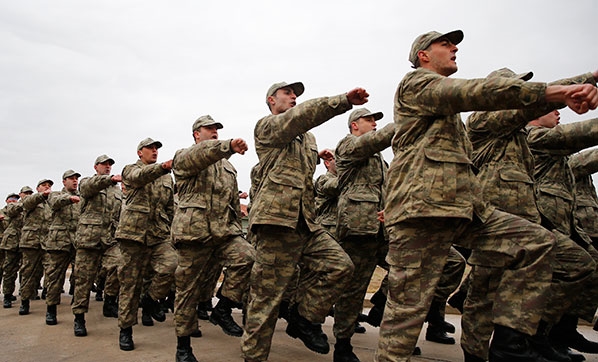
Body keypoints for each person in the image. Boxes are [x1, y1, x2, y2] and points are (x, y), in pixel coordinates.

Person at [377, 29, 598, 362]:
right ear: (423, 55)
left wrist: (586, 80)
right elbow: (478, 92)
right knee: (407, 312)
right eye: (445, 43)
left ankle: (511, 345)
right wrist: (558, 91)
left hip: (466, 209)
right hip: (421, 211)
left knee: (536, 242)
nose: (454, 48)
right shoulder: (416, 85)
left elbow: (507, 101)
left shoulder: (451, 117)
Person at [465, 68, 598, 362]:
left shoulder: (520, 138)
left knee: (578, 264)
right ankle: (477, 355)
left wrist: (591, 78)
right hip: (493, 223)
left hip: (527, 225)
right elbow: (539, 101)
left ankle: (530, 338)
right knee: (483, 297)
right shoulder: (483, 121)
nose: (518, 90)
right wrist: (585, 79)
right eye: (512, 87)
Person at [241, 81, 367, 362]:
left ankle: (303, 317)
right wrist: (343, 100)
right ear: (272, 100)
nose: (294, 96)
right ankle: (253, 356)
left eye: (295, 93)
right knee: (266, 299)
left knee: (340, 266)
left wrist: (317, 155)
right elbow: (302, 117)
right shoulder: (267, 126)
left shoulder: (307, 140)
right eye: (287, 93)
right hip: (276, 222)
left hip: (305, 223)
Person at [171, 115, 255, 362]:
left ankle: (224, 308)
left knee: (248, 258)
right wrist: (227, 146)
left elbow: (230, 202)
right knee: (187, 291)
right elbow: (204, 154)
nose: (215, 132)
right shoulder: (185, 157)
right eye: (209, 129)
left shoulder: (228, 167)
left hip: (223, 234)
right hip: (194, 235)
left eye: (217, 129)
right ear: (197, 134)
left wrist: (237, 223)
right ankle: (183, 347)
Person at [527, 114, 598, 358]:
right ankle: (537, 334)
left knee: (590, 266)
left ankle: (558, 332)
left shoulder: (551, 147)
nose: (558, 113)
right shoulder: (533, 137)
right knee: (573, 269)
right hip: (541, 224)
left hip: (562, 223)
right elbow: (581, 150)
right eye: (552, 108)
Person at [331, 108, 394, 362]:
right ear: (354, 125)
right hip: (358, 229)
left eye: (376, 121)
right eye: (369, 120)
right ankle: (343, 344)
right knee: (354, 289)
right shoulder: (348, 146)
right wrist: (405, 121)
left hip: (380, 230)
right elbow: (370, 144)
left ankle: (381, 299)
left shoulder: (381, 160)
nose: (374, 124)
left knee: (409, 270)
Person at [115, 137, 177, 351]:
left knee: (172, 266)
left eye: (157, 149)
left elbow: (170, 207)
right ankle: (126, 329)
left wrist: (172, 229)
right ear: (139, 152)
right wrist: (162, 167)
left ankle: (150, 300)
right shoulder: (130, 170)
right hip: (133, 236)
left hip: (159, 235)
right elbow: (140, 177)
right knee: (129, 285)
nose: (154, 151)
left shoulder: (167, 179)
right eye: (150, 148)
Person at [71, 154, 123, 336]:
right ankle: (79, 317)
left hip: (110, 240)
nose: (107, 167)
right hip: (89, 239)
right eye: (104, 164)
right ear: (96, 167)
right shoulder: (87, 183)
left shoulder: (117, 191)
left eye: (110, 165)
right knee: (83, 279)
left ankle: (109, 302)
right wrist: (109, 179)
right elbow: (87, 188)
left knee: (120, 266)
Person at [43, 169, 81, 325]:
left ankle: (78, 311)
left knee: (81, 276)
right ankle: (51, 309)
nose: (74, 181)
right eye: (71, 179)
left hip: (77, 241)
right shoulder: (55, 195)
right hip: (59, 242)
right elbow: (55, 203)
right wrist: (69, 199)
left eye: (76, 179)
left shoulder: (82, 197)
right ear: (64, 181)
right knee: (55, 277)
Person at [19, 179, 53, 315]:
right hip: (31, 242)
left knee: (51, 271)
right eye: (44, 185)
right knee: (28, 273)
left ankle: (50, 304)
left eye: (49, 186)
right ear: (38, 188)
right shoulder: (30, 200)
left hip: (47, 242)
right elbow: (27, 204)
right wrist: (41, 196)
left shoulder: (50, 203)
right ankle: (24, 302)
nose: (47, 187)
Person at [1, 186, 33, 308]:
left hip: (27, 241)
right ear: (21, 195)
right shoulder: (14, 206)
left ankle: (25, 294)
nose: (28, 195)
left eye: (30, 193)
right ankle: (7, 295)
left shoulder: (31, 208)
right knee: (10, 270)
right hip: (12, 242)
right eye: (26, 193)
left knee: (25, 270)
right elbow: (12, 211)